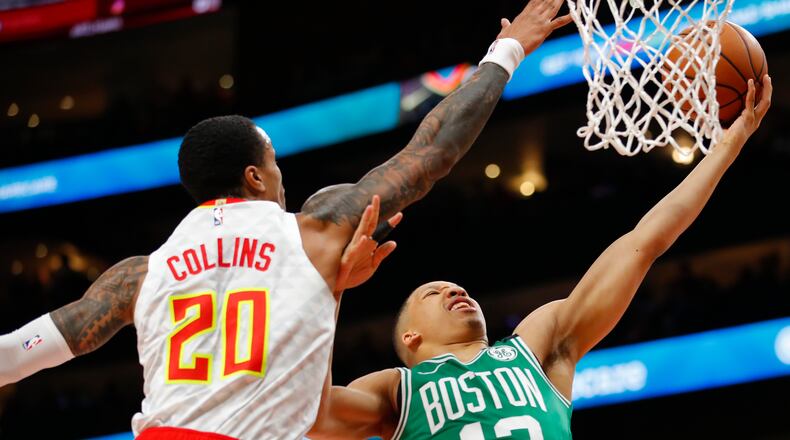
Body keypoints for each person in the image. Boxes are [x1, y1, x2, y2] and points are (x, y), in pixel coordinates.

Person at [0, 0, 572, 437]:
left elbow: (15, 355)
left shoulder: (138, 275)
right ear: (254, 176)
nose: (280, 177)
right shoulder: (314, 230)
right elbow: (432, 153)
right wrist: (507, 50)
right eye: (273, 163)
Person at [307, 77, 773, 439]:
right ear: (410, 337)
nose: (456, 289)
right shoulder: (395, 389)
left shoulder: (537, 348)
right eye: (434, 291)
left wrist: (726, 150)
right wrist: (333, 285)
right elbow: (310, 410)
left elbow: (642, 243)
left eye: (457, 287)